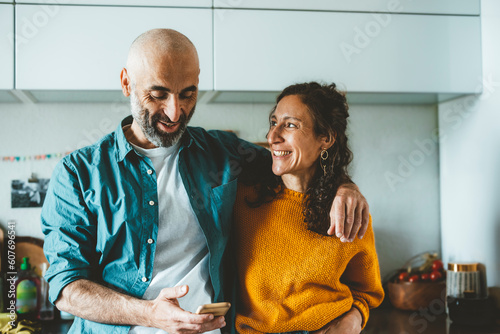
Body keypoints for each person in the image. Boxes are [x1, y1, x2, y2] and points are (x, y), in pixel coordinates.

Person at [41, 29, 370, 334]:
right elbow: (65, 287)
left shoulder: (221, 152)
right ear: (127, 83)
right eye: (158, 95)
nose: (175, 112)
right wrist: (148, 314)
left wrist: (345, 186)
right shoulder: (78, 173)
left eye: (188, 94)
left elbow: (296, 161)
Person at [233, 82, 385, 334]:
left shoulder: (349, 210)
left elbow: (366, 292)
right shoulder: (242, 199)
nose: (272, 136)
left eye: (290, 125)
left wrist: (354, 319)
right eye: (273, 122)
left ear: (325, 139)